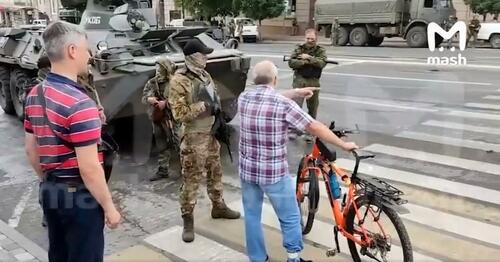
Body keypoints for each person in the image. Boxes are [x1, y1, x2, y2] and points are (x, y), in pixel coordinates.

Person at [238, 61, 359, 262]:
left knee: (251, 216)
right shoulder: (282, 105)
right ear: (275, 80)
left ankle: (258, 258)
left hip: (248, 171)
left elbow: (268, 97)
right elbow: (314, 126)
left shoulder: (244, 98)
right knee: (290, 217)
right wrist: (343, 145)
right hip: (273, 173)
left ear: (254, 80)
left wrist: (296, 92)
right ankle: (293, 257)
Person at [24, 21, 121, 262]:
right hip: (79, 199)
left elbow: (31, 149)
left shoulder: (34, 94)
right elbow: (89, 168)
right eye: (87, 50)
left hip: (50, 191)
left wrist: (49, 180)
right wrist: (109, 207)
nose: (90, 56)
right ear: (72, 51)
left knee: (59, 254)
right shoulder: (80, 102)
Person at [168, 39, 240, 243]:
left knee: (215, 172)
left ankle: (218, 206)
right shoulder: (179, 80)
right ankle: (188, 219)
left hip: (211, 133)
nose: (207, 57)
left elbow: (215, 100)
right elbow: (179, 114)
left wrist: (219, 113)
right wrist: (202, 105)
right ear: (192, 57)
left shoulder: (205, 75)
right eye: (203, 54)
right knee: (192, 178)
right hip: (193, 137)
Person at [142, 57, 178, 181]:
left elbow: (182, 99)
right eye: (156, 68)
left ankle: (188, 168)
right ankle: (163, 170)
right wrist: (149, 99)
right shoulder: (152, 83)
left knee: (180, 143)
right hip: (159, 118)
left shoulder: (175, 82)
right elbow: (143, 97)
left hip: (174, 118)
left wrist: (166, 103)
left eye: (160, 68)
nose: (157, 71)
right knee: (162, 144)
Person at [288, 28, 327, 142]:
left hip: (313, 81)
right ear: (305, 38)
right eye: (308, 38)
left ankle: (310, 132)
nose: (310, 41)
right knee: (296, 106)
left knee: (312, 108)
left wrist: (309, 58)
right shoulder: (299, 48)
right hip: (300, 80)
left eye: (312, 39)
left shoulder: (320, 50)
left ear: (316, 39)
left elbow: (321, 63)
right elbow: (291, 62)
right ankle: (293, 130)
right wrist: (304, 62)